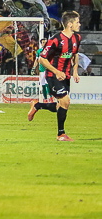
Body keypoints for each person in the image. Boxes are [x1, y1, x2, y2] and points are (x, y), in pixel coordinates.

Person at [27, 11, 82, 141]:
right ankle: (61, 134)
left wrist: (75, 71)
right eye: (77, 22)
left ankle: (37, 105)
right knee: (65, 101)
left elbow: (75, 54)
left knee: (60, 106)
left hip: (66, 75)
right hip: (53, 76)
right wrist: (56, 72)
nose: (79, 24)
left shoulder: (77, 38)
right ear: (70, 24)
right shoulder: (55, 40)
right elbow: (42, 59)